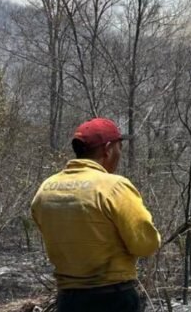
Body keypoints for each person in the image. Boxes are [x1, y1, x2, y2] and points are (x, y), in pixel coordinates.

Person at [31, 118, 161, 312]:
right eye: (119, 147)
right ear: (107, 149)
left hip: (68, 300)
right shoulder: (114, 187)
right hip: (113, 299)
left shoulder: (46, 189)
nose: (120, 154)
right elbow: (146, 245)